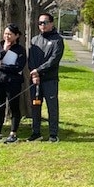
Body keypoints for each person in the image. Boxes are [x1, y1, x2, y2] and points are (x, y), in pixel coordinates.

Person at [28, 12, 65, 143]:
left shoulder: (57, 40)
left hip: (50, 81)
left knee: (52, 107)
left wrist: (38, 70)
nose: (42, 25)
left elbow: (54, 60)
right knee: (36, 106)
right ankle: (36, 132)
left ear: (51, 23)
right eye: (40, 23)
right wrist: (34, 74)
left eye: (44, 22)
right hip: (35, 81)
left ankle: (53, 134)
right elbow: (31, 59)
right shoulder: (34, 40)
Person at [0, 24, 26, 144]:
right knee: (0, 108)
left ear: (16, 35)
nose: (7, 36)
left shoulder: (20, 50)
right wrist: (4, 51)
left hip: (13, 82)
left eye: (10, 34)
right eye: (5, 34)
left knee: (14, 107)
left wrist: (1, 66)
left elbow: (18, 67)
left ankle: (13, 133)